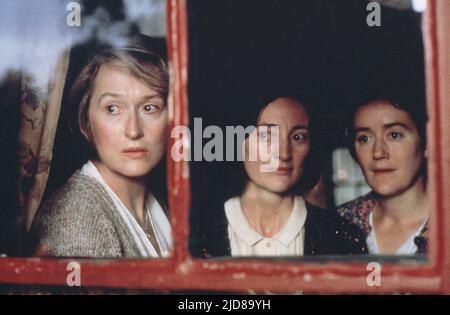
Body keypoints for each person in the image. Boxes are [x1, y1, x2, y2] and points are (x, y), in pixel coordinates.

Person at [27, 46, 172, 258]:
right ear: (86, 121)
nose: (133, 130)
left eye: (149, 107)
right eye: (112, 109)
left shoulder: (155, 200)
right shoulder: (78, 221)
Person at [199, 95, 367, 257]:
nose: (283, 153)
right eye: (266, 136)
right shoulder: (197, 235)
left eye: (297, 137)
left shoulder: (343, 237)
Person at [337, 96, 428, 255]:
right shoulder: (338, 223)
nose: (378, 152)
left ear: (427, 143)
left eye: (394, 135)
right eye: (364, 138)